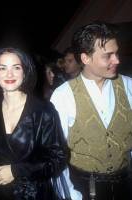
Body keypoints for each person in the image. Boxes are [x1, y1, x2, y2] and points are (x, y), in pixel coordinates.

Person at [0, 47, 69, 200]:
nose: (9, 74)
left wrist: (16, 171)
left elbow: (58, 159)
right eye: (2, 68)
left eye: (16, 67)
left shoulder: (43, 111)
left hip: (35, 194)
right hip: (0, 193)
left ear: (25, 72)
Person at [51, 21, 132, 200]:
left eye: (116, 53)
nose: (117, 60)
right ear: (86, 58)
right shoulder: (63, 95)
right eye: (108, 56)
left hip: (125, 184)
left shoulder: (128, 85)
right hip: (84, 188)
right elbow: (56, 153)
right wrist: (70, 194)